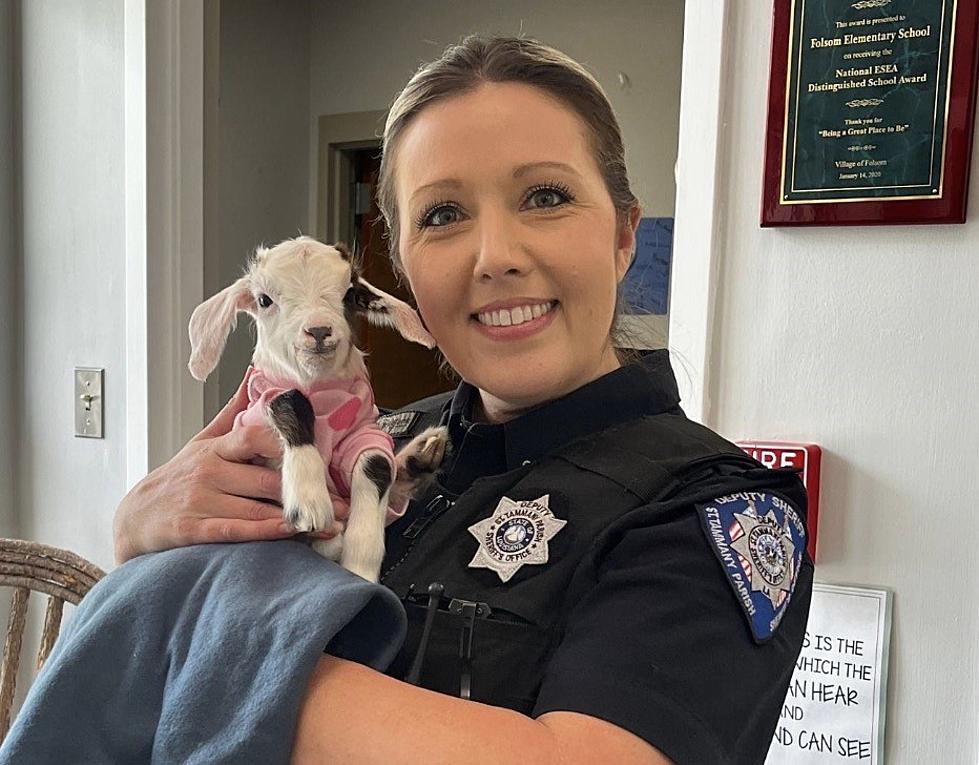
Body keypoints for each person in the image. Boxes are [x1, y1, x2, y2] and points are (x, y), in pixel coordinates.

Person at [112, 36, 813, 765]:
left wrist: (183, 618)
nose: (495, 255)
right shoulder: (382, 439)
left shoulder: (703, 508)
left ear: (623, 235)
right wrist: (143, 535)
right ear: (404, 268)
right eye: (443, 215)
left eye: (545, 196)